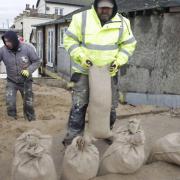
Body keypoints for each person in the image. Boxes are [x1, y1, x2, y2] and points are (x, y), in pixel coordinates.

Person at [63, 0, 137, 145]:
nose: (104, 11)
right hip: (84, 70)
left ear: (113, 7)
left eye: (108, 8)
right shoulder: (81, 18)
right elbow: (69, 40)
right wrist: (81, 57)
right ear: (96, 6)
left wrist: (119, 60)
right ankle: (73, 138)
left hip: (109, 72)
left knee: (109, 105)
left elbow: (129, 44)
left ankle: (105, 131)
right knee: (79, 105)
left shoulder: (123, 22)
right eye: (101, 8)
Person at [0, 31, 40, 121]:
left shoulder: (27, 48)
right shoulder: (3, 50)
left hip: (26, 81)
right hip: (11, 81)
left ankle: (30, 120)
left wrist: (28, 71)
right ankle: (12, 120)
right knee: (10, 102)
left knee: (28, 103)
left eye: (9, 41)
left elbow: (37, 61)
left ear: (14, 41)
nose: (7, 44)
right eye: (5, 41)